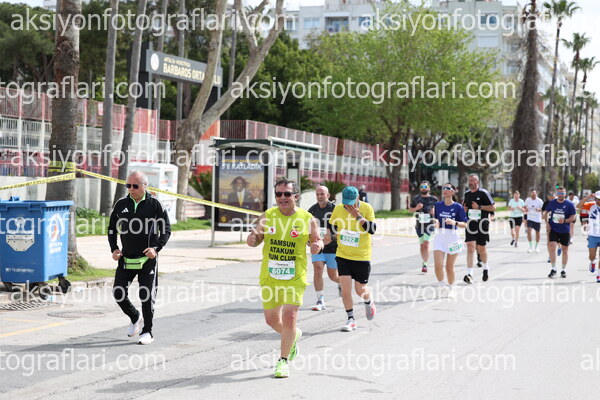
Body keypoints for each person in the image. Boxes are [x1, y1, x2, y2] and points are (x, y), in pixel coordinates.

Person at [246, 179, 323, 378]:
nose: (282, 198)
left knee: (289, 317)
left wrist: (317, 246)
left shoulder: (307, 218)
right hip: (270, 275)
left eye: (287, 194)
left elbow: (317, 240)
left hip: (294, 276)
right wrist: (252, 239)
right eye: (278, 194)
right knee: (271, 320)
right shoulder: (268, 215)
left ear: (296, 196)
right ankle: (294, 335)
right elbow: (256, 238)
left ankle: (283, 361)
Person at [109, 171, 171, 345]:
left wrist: (156, 248)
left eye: (135, 186)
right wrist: (114, 248)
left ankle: (147, 331)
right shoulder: (121, 204)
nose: (131, 189)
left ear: (145, 186)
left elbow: (166, 229)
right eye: (128, 185)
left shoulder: (155, 204)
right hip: (126, 258)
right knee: (118, 293)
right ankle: (135, 316)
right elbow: (112, 228)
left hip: (147, 260)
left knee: (146, 295)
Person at [330, 186, 377, 332]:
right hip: (343, 255)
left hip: (362, 256)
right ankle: (351, 319)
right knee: (345, 289)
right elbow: (332, 227)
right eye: (346, 202)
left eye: (351, 202)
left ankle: (368, 301)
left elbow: (372, 230)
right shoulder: (338, 209)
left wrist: (358, 216)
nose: (348, 205)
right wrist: (332, 235)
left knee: (360, 290)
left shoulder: (367, 208)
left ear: (358, 198)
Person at [308, 185, 340, 311]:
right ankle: (320, 300)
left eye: (322, 194)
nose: (320, 196)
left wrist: (332, 237)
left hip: (333, 248)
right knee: (318, 269)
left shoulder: (335, 209)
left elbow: (343, 228)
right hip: (318, 247)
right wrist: (308, 240)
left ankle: (341, 282)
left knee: (333, 276)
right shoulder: (312, 210)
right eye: (317, 194)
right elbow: (306, 228)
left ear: (328, 195)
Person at [432, 183, 468, 298]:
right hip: (439, 236)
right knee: (438, 265)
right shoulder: (438, 205)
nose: (445, 190)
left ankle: (451, 288)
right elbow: (435, 218)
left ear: (453, 191)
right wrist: (435, 222)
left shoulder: (458, 207)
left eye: (448, 188)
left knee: (449, 267)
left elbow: (465, 224)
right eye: (443, 188)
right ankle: (441, 286)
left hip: (452, 237)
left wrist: (454, 222)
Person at [462, 174, 496, 284]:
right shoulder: (467, 194)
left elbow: (493, 207)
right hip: (471, 223)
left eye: (472, 180)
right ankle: (470, 274)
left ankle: (485, 268)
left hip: (482, 223)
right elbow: (464, 207)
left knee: (481, 249)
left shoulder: (483, 193)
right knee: (470, 247)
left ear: (477, 182)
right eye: (469, 180)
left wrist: (480, 207)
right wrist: (464, 209)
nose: (470, 182)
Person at [543, 186, 576, 278]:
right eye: (559, 193)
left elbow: (573, 217)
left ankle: (563, 270)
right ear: (557, 193)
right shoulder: (552, 203)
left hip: (565, 230)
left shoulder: (569, 204)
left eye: (562, 193)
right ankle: (553, 269)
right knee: (552, 246)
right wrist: (547, 223)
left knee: (565, 250)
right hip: (553, 228)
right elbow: (546, 213)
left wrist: (565, 220)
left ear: (565, 194)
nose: (560, 195)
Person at [408, 181, 438, 273]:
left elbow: (439, 212)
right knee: (422, 246)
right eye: (421, 187)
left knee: (426, 243)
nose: (423, 188)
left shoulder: (434, 199)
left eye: (425, 187)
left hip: (430, 224)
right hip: (419, 225)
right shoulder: (416, 198)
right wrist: (416, 208)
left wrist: (434, 212)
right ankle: (424, 261)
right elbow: (410, 210)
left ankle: (425, 264)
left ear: (429, 188)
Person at [584, 191, 600, 282]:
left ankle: (599, 274)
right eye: (597, 199)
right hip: (593, 235)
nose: (598, 201)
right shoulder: (591, 205)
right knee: (592, 256)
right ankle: (593, 262)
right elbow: (578, 206)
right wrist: (587, 198)